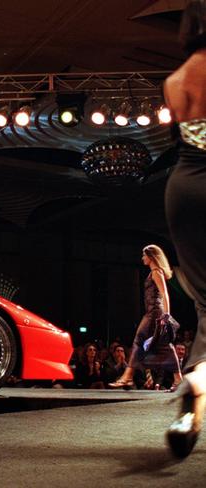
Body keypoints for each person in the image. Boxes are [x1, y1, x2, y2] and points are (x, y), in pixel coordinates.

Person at [163, 0, 206, 458]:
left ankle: (195, 396)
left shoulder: (173, 81)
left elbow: (193, 137)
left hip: (183, 187)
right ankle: (197, 379)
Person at [109, 245, 182, 390]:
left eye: (144, 255)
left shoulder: (156, 272)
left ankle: (127, 377)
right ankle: (178, 380)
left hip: (155, 312)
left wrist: (166, 315)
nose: (142, 258)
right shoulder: (154, 272)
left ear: (151, 256)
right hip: (153, 312)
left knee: (139, 340)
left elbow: (165, 294)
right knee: (164, 345)